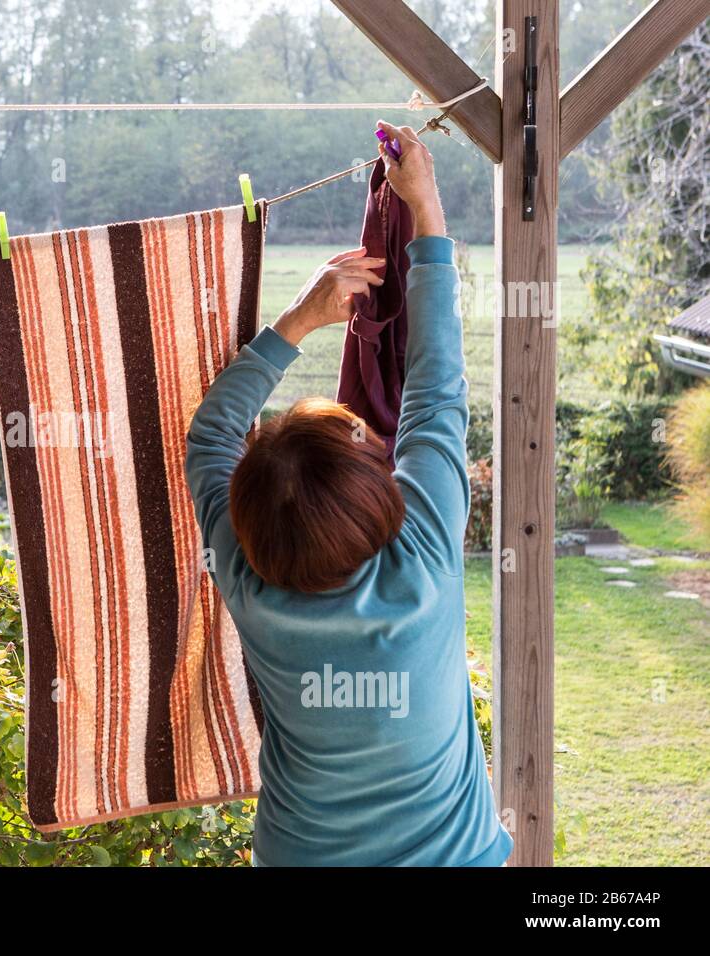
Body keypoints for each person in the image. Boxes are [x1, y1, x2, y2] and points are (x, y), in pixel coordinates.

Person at [185, 121, 513, 867]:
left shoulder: (246, 572)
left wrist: (300, 319)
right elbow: (432, 386)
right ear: (377, 500)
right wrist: (425, 207)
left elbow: (209, 438)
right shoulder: (420, 557)